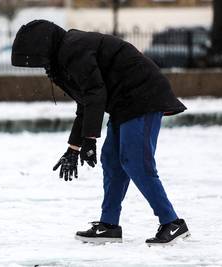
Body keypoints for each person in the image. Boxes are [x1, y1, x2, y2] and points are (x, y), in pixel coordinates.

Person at [11, 20, 190, 246]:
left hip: (144, 96)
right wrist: (73, 148)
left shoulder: (73, 49)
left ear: (43, 48)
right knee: (113, 161)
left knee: (135, 161)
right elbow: (86, 103)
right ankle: (109, 225)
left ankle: (172, 222)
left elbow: (95, 93)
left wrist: (90, 139)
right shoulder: (63, 58)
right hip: (124, 103)